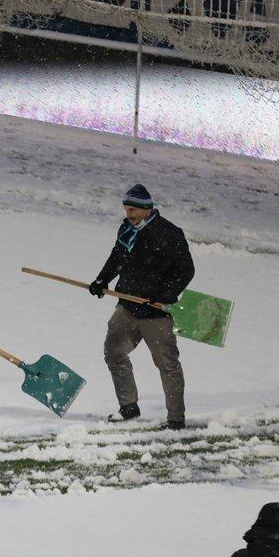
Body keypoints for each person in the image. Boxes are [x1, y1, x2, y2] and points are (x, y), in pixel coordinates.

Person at [88, 184, 195, 429]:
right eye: (126, 209)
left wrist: (164, 295)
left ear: (147, 209)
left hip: (156, 312)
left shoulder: (169, 233)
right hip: (127, 306)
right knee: (114, 353)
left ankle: (176, 418)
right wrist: (102, 280)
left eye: (133, 210)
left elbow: (186, 270)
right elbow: (117, 257)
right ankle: (128, 407)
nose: (129, 215)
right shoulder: (127, 230)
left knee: (167, 364)